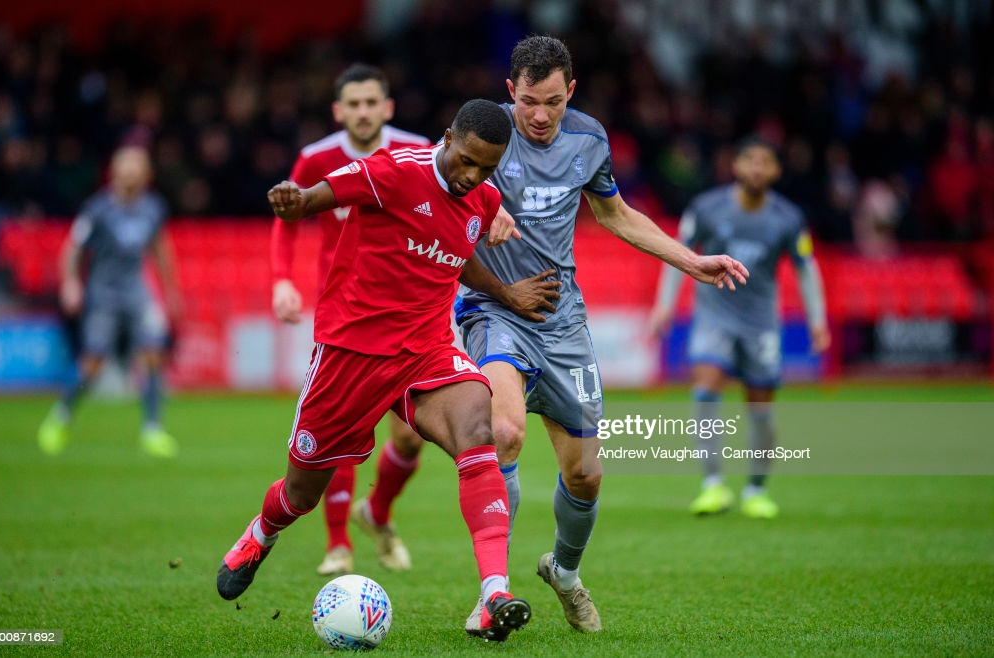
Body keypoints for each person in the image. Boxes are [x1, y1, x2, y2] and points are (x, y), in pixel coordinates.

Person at [218, 99, 553, 643]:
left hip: (425, 349)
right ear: (447, 137)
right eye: (467, 160)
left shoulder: (483, 199)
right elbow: (318, 197)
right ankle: (261, 533)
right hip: (350, 353)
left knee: (479, 429)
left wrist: (506, 294)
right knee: (302, 494)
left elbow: (456, 248)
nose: (473, 177)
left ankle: (494, 593)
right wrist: (295, 201)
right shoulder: (395, 170)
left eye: (487, 168)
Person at [455, 35, 749, 634]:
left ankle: (563, 573)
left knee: (586, 473)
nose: (541, 116)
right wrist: (481, 205)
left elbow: (614, 214)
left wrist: (692, 262)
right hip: (493, 308)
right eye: (530, 101)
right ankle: (495, 592)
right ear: (511, 92)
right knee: (504, 430)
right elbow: (437, 190)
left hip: (562, 322)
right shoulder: (484, 133)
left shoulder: (588, 140)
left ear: (572, 93)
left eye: (554, 103)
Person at [270, 63, 433, 577]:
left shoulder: (417, 150)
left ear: (387, 107)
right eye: (353, 105)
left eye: (372, 103)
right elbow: (287, 217)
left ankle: (377, 511)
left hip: (409, 312)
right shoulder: (317, 158)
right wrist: (281, 279)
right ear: (339, 111)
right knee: (343, 428)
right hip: (345, 313)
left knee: (411, 436)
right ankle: (339, 544)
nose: (363, 112)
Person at [649, 136, 831, 519]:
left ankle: (755, 490)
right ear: (736, 166)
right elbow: (676, 254)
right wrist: (664, 306)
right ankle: (713, 486)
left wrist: (817, 320)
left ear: (777, 171)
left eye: (765, 163)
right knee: (704, 393)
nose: (757, 169)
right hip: (714, 315)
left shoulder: (788, 217)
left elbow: (806, 267)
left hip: (761, 322)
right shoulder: (707, 208)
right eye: (750, 160)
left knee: (761, 410)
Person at [37, 145, 182, 458]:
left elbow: (160, 247)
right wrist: (71, 283)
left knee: (154, 353)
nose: (132, 172)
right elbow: (73, 248)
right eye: (126, 166)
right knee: (93, 362)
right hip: (103, 293)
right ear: (115, 172)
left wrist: (169, 289)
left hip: (137, 291)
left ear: (146, 174)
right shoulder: (98, 208)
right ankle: (60, 417)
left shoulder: (153, 207)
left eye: (137, 166)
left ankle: (152, 429)